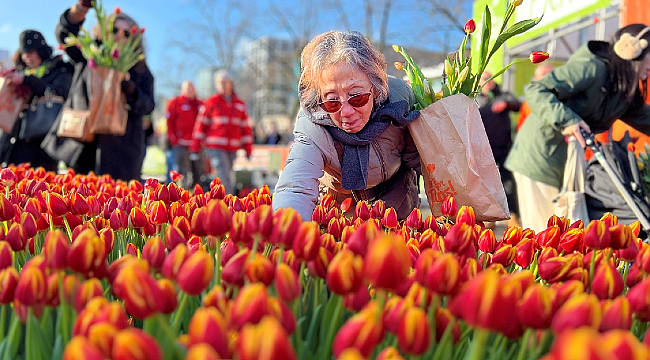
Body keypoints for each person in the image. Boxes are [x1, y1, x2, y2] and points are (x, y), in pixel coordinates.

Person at [506, 24, 650, 232]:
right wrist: (568, 120)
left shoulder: (620, 87)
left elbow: (645, 117)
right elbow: (538, 90)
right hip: (540, 158)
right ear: (632, 49)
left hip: (568, 163)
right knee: (544, 236)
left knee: (564, 237)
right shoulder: (592, 67)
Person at [272, 31, 421, 221]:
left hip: (396, 209)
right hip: (341, 214)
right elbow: (295, 188)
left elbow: (427, 164)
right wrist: (288, 234)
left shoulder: (400, 104)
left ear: (375, 88)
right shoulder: (314, 126)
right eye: (333, 101)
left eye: (357, 97)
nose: (346, 112)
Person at [48, 1, 155, 181]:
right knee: (80, 201)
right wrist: (80, 10)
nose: (119, 35)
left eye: (126, 33)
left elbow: (148, 105)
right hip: (84, 142)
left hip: (121, 150)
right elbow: (66, 35)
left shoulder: (140, 68)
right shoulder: (90, 52)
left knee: (117, 205)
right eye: (114, 29)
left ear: (134, 38)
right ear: (104, 30)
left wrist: (132, 90)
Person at [0, 30, 72, 171]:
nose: (27, 57)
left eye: (31, 52)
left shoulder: (58, 70)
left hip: (41, 147)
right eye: (24, 53)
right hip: (13, 143)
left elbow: (61, 92)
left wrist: (27, 81)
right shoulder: (19, 72)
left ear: (41, 51)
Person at [191, 70, 252, 195]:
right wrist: (195, 148)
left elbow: (245, 129)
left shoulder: (239, 105)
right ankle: (226, 204)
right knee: (224, 176)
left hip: (232, 148)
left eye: (225, 82)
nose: (223, 85)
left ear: (231, 84)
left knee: (227, 175)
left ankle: (218, 201)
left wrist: (248, 150)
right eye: (220, 83)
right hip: (215, 147)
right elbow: (200, 126)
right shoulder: (211, 102)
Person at [477, 71, 522, 228]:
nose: (489, 81)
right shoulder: (474, 99)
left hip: (504, 147)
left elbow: (520, 105)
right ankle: (490, 217)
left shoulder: (504, 95)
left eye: (491, 78)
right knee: (485, 183)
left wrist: (507, 105)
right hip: (482, 149)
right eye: (485, 79)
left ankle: (512, 216)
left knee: (507, 182)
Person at [166, 80, 202, 188]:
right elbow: (169, 121)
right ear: (182, 90)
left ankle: (196, 195)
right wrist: (174, 139)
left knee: (198, 170)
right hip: (181, 144)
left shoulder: (200, 104)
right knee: (182, 170)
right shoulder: (175, 102)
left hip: (196, 145)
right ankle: (181, 193)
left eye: (192, 88)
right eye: (187, 88)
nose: (190, 90)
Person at [516, 63, 554, 132]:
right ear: (536, 78)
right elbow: (521, 127)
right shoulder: (528, 102)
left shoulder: (564, 98)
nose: (548, 77)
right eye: (544, 74)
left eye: (551, 74)